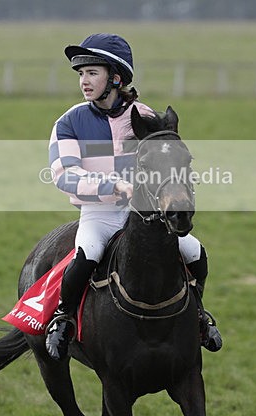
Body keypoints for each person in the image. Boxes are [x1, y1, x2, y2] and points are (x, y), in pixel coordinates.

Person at [45, 33, 222, 360]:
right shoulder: (70, 121)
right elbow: (64, 174)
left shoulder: (144, 117)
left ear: (115, 77)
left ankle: (198, 314)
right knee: (85, 257)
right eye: (81, 74)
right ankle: (63, 318)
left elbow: (167, 161)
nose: (84, 81)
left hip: (143, 214)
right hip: (99, 215)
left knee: (196, 252)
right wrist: (112, 185)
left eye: (92, 73)